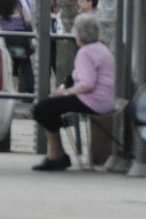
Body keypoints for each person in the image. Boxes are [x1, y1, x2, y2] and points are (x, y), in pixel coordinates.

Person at [31, 14, 117, 171]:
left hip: (92, 100)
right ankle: (57, 154)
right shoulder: (102, 49)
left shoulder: (85, 53)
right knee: (50, 106)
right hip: (104, 100)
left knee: (42, 109)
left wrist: (64, 93)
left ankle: (56, 155)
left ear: (79, 34)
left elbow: (87, 84)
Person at [0, 0, 34, 94]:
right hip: (20, 40)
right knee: (26, 65)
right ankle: (31, 91)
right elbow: (28, 19)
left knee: (5, 65)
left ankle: (6, 90)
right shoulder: (18, 5)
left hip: (4, 40)